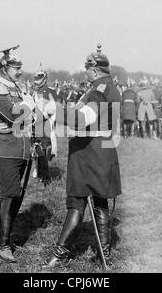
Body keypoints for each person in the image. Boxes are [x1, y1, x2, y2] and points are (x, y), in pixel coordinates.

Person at [44, 44, 122, 268]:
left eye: (87, 69)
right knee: (100, 201)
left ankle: (59, 254)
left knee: (77, 201)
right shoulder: (110, 88)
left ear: (95, 70)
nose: (85, 73)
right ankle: (104, 255)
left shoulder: (97, 91)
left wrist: (56, 110)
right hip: (102, 150)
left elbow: (82, 120)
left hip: (89, 152)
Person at [0, 45, 36, 263]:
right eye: (16, 67)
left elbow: (30, 119)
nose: (20, 71)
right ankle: (3, 245)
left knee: (14, 194)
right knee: (10, 194)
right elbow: (12, 115)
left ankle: (5, 237)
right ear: (4, 68)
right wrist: (27, 106)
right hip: (4, 149)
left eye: (20, 67)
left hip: (20, 149)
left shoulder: (17, 89)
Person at [31, 66, 58, 186]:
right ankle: (40, 172)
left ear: (45, 79)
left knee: (44, 149)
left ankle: (46, 177)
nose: (37, 79)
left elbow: (51, 110)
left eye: (39, 77)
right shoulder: (34, 92)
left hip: (45, 123)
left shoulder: (50, 91)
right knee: (36, 148)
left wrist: (39, 119)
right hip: (35, 123)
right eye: (36, 77)